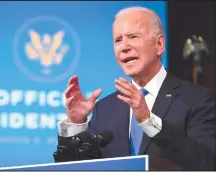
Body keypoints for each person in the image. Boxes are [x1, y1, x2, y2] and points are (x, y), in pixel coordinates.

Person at [56, 6, 215, 170]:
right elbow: (76, 167)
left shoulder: (197, 100)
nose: (124, 47)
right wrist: (75, 124)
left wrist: (148, 121)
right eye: (118, 40)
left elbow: (205, 162)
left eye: (133, 37)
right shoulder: (104, 109)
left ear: (159, 44)